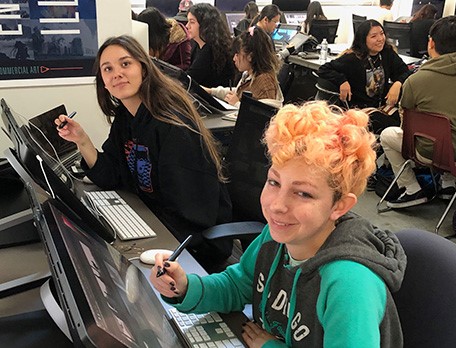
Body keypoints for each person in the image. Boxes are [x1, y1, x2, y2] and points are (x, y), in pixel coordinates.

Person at [150, 101, 406, 347]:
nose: (277, 206)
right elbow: (239, 285)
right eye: (274, 182)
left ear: (339, 206)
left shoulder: (350, 284)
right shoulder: (276, 237)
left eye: (303, 193)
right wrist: (185, 288)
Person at [55, 35, 233, 271]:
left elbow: (190, 213)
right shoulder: (126, 116)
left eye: (125, 64)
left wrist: (136, 233)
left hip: (195, 244)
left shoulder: (172, 124)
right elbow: (112, 173)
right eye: (108, 69)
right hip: (155, 223)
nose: (117, 73)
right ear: (104, 82)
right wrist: (82, 141)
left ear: (144, 69)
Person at [380, 16, 456, 209]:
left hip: (427, 153)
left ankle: (412, 188)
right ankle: (448, 184)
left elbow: (405, 121)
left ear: (431, 43)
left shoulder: (415, 81)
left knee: (387, 134)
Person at [318, 19, 411, 134]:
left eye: (382, 34)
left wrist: (398, 83)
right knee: (393, 129)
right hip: (360, 111)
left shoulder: (387, 53)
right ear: (363, 39)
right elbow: (323, 69)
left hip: (382, 106)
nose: (380, 39)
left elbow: (405, 71)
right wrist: (342, 81)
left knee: (408, 123)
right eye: (373, 36)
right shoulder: (352, 58)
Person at [204, 26, 283, 108]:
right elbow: (238, 91)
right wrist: (211, 91)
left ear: (250, 56)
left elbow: (264, 115)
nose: (234, 58)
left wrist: (236, 104)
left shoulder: (264, 82)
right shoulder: (249, 75)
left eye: (237, 54)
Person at [186, 3, 235, 88]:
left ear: (205, 25)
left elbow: (189, 80)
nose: (187, 26)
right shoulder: (197, 45)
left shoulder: (210, 50)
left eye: (192, 22)